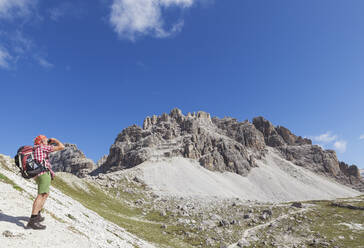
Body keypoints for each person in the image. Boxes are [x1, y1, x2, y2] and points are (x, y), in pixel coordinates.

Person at [26, 135, 65, 230]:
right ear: (42, 141)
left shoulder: (36, 148)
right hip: (43, 173)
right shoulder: (42, 147)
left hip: (38, 174)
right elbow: (62, 147)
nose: (47, 141)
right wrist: (55, 140)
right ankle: (33, 219)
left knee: (45, 194)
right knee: (41, 194)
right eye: (45, 139)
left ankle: (37, 215)